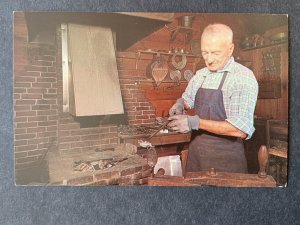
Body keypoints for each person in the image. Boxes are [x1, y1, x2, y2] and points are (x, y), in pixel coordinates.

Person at [168, 23, 258, 173]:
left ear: (230, 49)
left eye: (215, 53)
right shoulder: (201, 75)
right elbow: (187, 99)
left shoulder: (242, 77)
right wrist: (179, 103)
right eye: (205, 52)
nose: (209, 59)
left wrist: (194, 122)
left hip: (226, 163)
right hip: (196, 158)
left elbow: (240, 129)